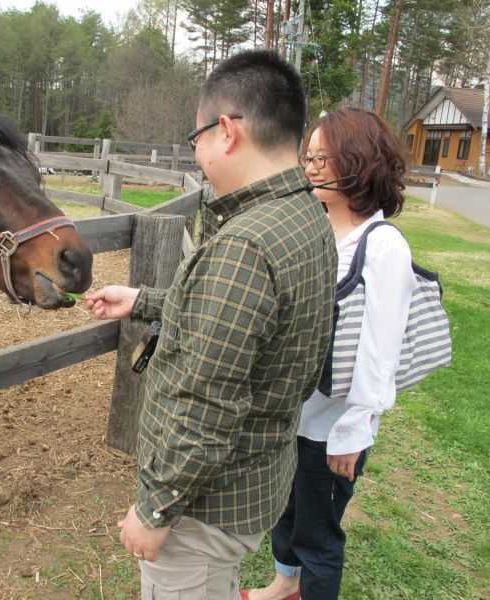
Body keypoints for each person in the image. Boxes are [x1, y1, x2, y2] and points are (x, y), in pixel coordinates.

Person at [84, 49, 338, 598]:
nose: (195, 150)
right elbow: (247, 326)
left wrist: (154, 510)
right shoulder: (304, 215)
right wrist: (146, 299)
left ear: (226, 131)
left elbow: (204, 403)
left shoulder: (245, 244)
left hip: (201, 508)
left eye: (196, 135)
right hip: (255, 481)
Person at [244, 108, 416, 600]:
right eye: (309, 156)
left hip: (330, 428)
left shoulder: (382, 247)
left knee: (317, 533)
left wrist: (354, 429)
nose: (312, 167)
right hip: (292, 413)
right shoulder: (319, 232)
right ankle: (284, 584)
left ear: (361, 161)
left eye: (326, 157)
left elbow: (380, 351)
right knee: (286, 509)